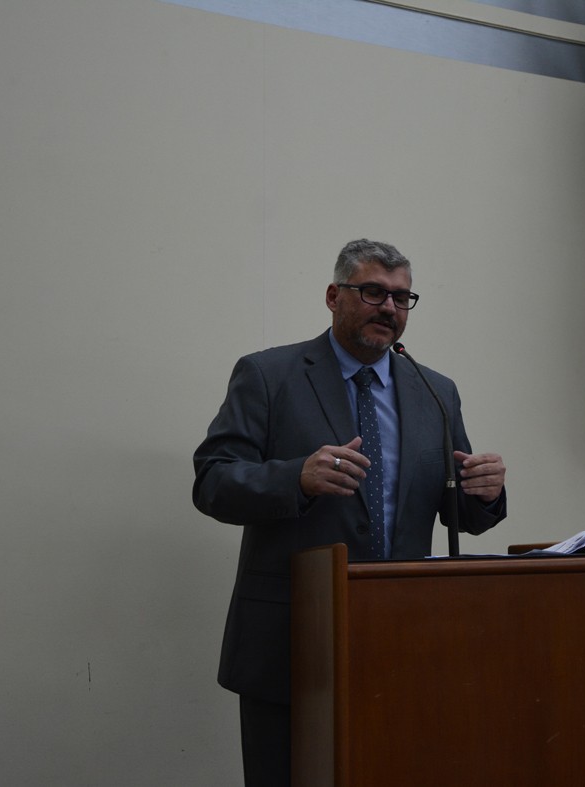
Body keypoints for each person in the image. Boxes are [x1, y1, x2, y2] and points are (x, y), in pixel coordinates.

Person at [192, 238, 508, 787]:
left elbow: (458, 510)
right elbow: (213, 481)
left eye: (402, 298)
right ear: (334, 296)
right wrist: (295, 477)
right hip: (291, 639)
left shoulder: (435, 391)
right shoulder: (269, 375)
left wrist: (484, 493)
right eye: (373, 292)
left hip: (401, 639)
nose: (389, 307)